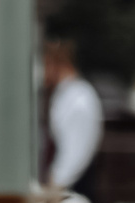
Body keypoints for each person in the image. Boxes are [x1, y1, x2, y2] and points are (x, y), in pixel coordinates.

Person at [41, 40, 101, 195]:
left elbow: (75, 154)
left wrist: (54, 186)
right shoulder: (64, 94)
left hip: (70, 193)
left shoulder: (78, 98)